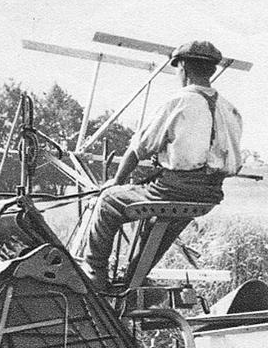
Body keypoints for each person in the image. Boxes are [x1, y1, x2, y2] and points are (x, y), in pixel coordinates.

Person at [82, 40, 243, 290]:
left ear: (183, 69)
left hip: (174, 189)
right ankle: (134, 282)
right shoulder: (231, 109)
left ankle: (94, 274)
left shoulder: (178, 101)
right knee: (163, 223)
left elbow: (138, 148)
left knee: (107, 202)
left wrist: (117, 181)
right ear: (211, 71)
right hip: (209, 194)